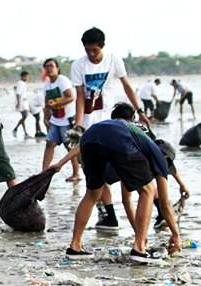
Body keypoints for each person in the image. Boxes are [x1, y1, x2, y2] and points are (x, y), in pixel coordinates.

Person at [50, 103, 180, 263]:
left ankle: (75, 247)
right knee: (148, 190)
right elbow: (165, 203)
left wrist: (60, 163)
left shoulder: (133, 135)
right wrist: (176, 234)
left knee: (92, 194)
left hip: (88, 139)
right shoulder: (158, 156)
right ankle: (139, 248)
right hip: (116, 141)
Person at [70, 26, 149, 232]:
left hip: (111, 124)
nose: (91, 54)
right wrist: (79, 124)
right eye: (87, 50)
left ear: (102, 47)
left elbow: (127, 86)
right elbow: (80, 96)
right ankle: (109, 215)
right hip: (90, 125)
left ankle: (151, 210)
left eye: (94, 50)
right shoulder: (78, 66)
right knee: (95, 173)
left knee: (127, 167)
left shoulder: (114, 60)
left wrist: (139, 110)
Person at [40, 58, 81, 182]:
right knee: (49, 144)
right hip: (55, 120)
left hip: (68, 119)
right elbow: (46, 103)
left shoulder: (62, 80)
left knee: (70, 147)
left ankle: (76, 173)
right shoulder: (47, 85)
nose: (49, 68)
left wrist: (56, 104)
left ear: (57, 68)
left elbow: (71, 97)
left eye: (51, 66)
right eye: (46, 66)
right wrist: (45, 118)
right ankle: (44, 172)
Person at [13, 71, 30, 138]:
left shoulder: (21, 83)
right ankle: (15, 128)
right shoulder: (21, 83)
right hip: (22, 102)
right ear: (23, 76)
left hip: (23, 102)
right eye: (27, 77)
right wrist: (18, 103)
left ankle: (25, 133)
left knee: (24, 117)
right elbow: (18, 93)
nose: (28, 78)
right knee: (25, 116)